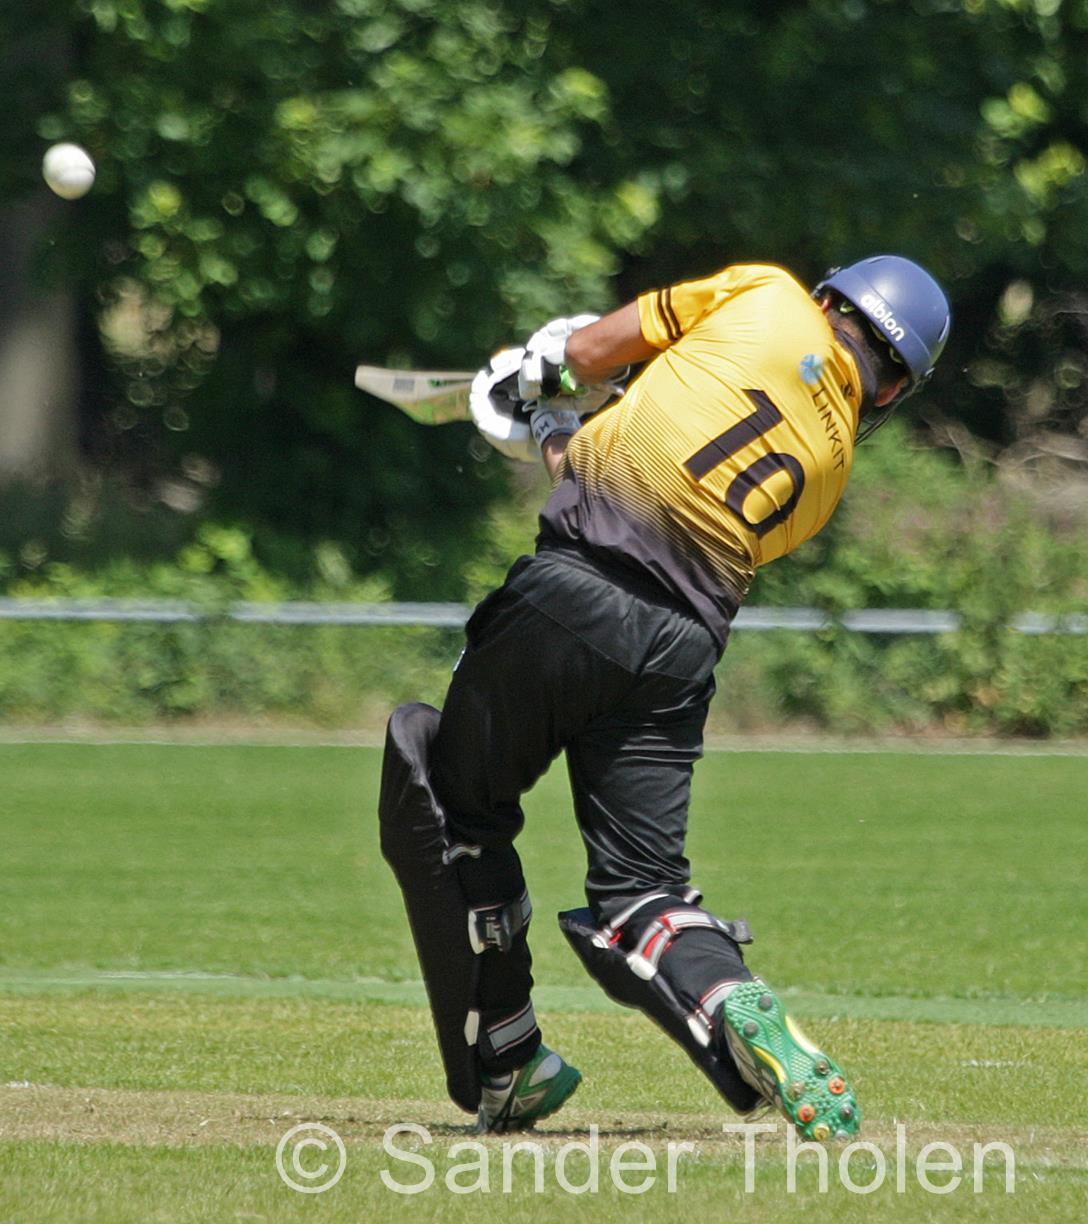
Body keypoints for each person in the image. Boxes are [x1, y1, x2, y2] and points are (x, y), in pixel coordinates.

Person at [377, 257, 951, 1136]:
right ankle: (729, 996)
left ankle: (506, 1056)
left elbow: (592, 361)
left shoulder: (767, 294)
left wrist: (544, 386)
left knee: (450, 803)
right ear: (890, 388)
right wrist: (564, 419)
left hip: (570, 597)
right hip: (679, 650)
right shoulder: (829, 474)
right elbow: (667, 476)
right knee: (643, 889)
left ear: (829, 297)